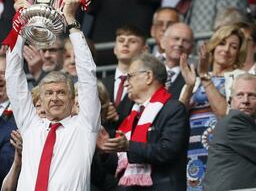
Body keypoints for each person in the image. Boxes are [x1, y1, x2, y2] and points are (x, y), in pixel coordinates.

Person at [5, 0, 100, 190]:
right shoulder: (30, 125)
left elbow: (88, 75)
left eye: (61, 93)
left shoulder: (85, 126)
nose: (55, 98)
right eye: (49, 93)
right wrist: (22, 24)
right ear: (40, 98)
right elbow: (14, 78)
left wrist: (72, 23)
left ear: (73, 99)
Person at [180, 24, 247, 190]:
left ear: (239, 53)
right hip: (192, 150)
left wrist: (205, 79)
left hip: (222, 152)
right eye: (222, 43)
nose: (226, 50)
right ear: (213, 45)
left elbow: (226, 116)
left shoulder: (240, 79)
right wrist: (189, 86)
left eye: (233, 47)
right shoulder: (195, 78)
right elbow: (177, 116)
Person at [112, 53, 189, 191]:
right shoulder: (133, 114)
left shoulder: (173, 109)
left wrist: (129, 145)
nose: (126, 83)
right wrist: (105, 150)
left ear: (148, 76)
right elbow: (121, 162)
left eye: (130, 76)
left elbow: (167, 151)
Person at [203, 73, 256, 190]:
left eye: (252, 95)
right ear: (230, 101)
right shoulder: (234, 122)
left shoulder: (247, 123)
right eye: (240, 95)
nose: (245, 101)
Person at [101, 25, 148, 132]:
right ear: (114, 49)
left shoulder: (147, 84)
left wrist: (118, 118)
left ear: (144, 50)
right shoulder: (101, 83)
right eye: (121, 40)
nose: (125, 44)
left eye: (132, 41)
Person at [161, 22, 194, 99]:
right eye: (176, 39)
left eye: (185, 41)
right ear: (163, 42)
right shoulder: (149, 70)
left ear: (191, 48)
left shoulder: (195, 77)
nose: (180, 44)